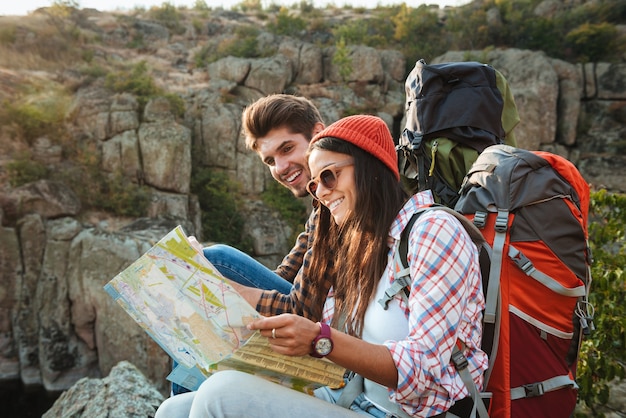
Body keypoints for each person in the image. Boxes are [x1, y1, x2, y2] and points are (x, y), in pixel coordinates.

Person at [156, 114, 488, 417]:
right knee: (174, 411)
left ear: (372, 166)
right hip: (345, 397)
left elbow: (426, 372)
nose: (322, 192)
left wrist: (319, 340)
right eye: (315, 184)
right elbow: (292, 289)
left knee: (219, 394)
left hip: (401, 414)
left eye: (329, 176)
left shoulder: (433, 232)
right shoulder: (360, 243)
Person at [171, 93, 328, 394]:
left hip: (329, 333)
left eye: (287, 148)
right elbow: (284, 277)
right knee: (200, 274)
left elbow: (303, 311)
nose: (281, 167)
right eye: (270, 160)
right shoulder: (319, 206)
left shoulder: (340, 202)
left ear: (318, 135)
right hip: (308, 313)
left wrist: (220, 284)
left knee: (216, 262)